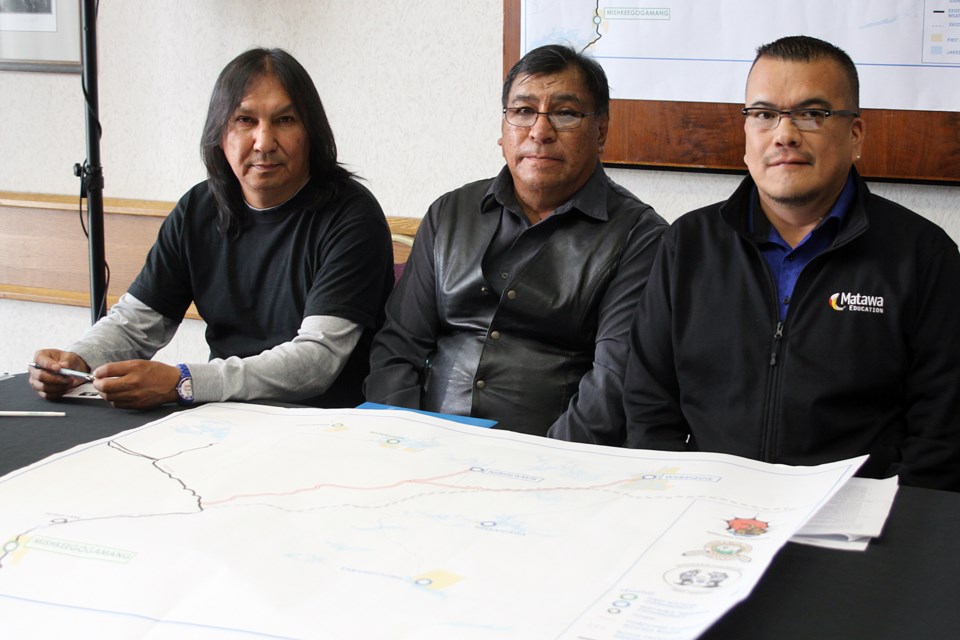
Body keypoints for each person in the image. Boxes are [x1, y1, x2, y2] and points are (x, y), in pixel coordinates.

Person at [623, 35, 960, 491]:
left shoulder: (923, 255)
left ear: (855, 134)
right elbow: (648, 404)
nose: (784, 134)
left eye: (811, 114)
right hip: (704, 508)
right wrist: (676, 492)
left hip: (858, 525)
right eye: (764, 115)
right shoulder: (689, 244)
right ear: (746, 134)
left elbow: (941, 434)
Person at [29, 48, 394, 410]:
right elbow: (135, 324)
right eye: (245, 120)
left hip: (327, 427)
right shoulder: (198, 209)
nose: (264, 142)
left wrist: (184, 382)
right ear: (219, 134)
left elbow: (316, 362)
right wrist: (77, 361)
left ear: (311, 132)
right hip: (221, 420)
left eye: (285, 120)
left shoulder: (352, 216)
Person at [364, 44, 666, 442]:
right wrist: (398, 436)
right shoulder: (450, 214)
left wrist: (541, 464)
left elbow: (613, 380)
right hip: (423, 447)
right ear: (504, 128)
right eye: (523, 112)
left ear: (601, 129)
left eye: (565, 113)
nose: (540, 132)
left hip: (550, 460)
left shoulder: (639, 236)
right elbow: (398, 346)